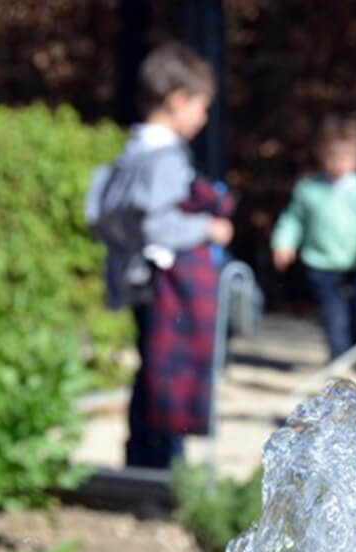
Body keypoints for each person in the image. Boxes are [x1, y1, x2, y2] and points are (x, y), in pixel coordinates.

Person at [85, 42, 233, 469]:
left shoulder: (130, 152)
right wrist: (208, 227)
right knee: (170, 372)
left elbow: (102, 213)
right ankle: (164, 462)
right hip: (167, 284)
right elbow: (157, 223)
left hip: (134, 277)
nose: (203, 118)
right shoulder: (166, 157)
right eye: (201, 107)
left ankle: (140, 456)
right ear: (177, 100)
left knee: (149, 368)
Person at [270, 115, 356, 369]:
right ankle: (339, 359)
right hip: (322, 263)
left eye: (348, 156)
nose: (341, 163)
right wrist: (283, 244)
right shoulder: (308, 189)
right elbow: (292, 221)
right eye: (334, 156)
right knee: (332, 315)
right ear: (321, 154)